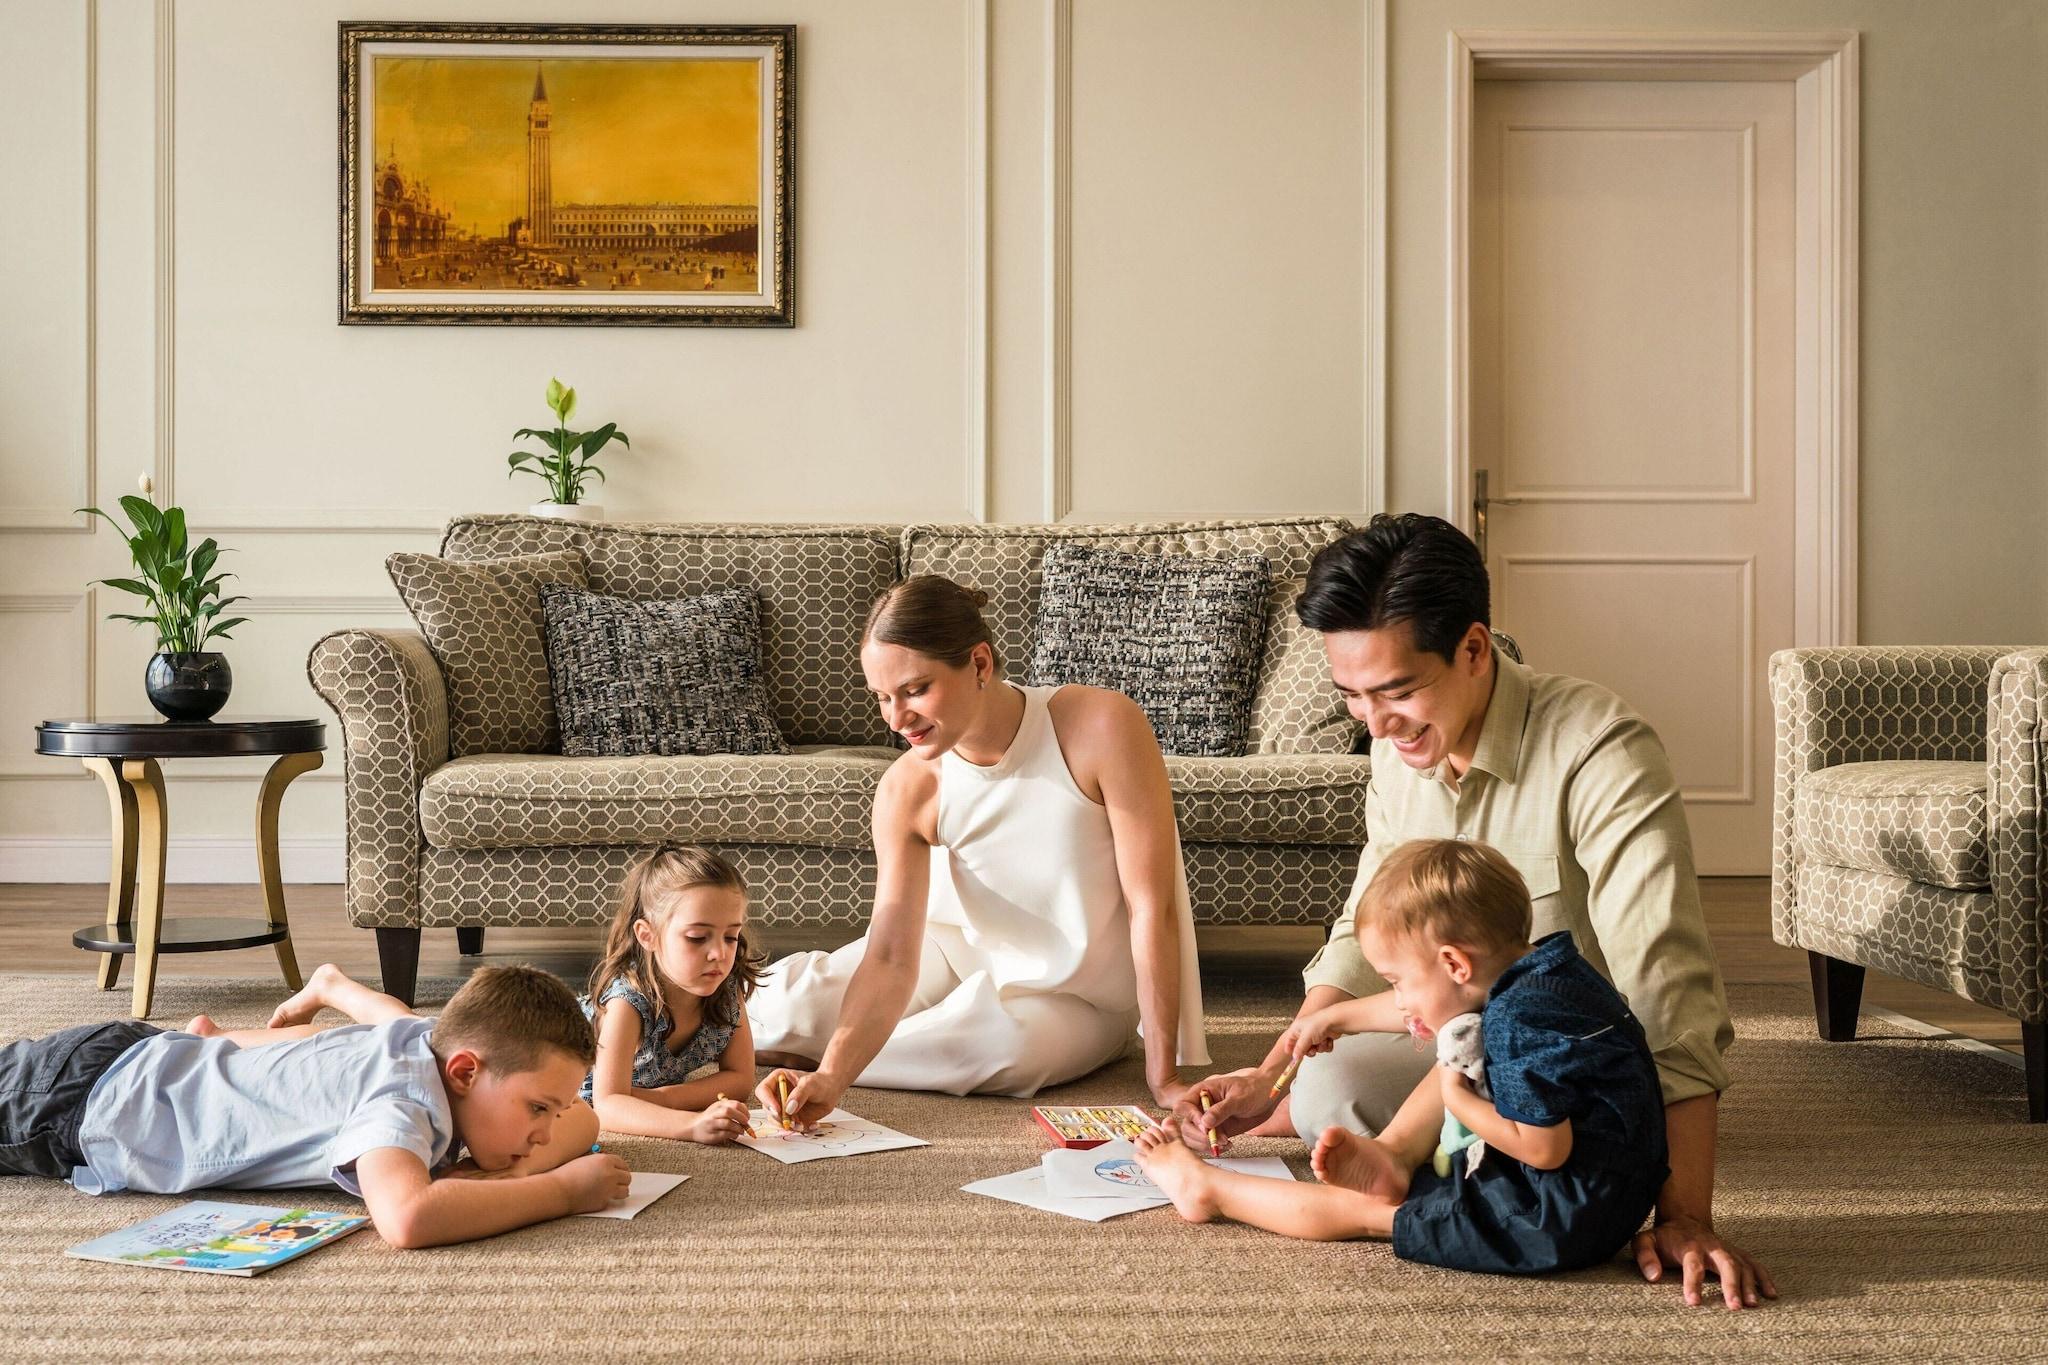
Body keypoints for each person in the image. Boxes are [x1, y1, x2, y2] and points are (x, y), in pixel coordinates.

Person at [1170, 513, 1772, 1309]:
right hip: (1466, 1033)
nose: (1377, 726)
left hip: (1569, 1066)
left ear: (1475, 649)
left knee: (1349, 1104)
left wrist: (1686, 1212)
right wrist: (1275, 1065)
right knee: (1327, 1093)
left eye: (1397, 692)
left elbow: (1668, 992)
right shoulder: (1393, 748)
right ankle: (1334, 1120)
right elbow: (1364, 929)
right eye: (1352, 696)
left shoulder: (1601, 750)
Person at [749, 575, 1208, 1125]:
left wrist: (1165, 1077)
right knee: (783, 1009)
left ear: (981, 664)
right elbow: (893, 954)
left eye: (916, 690)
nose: (897, 719)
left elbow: (1150, 908)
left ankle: (825, 1057)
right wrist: (836, 1065)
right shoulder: (909, 786)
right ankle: (682, 1029)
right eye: (882, 697)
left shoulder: (1102, 726)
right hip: (949, 953)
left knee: (997, 1048)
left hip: (1073, 995)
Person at [1137, 839, 1669, 1277]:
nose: (1400, 999)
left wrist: (1460, 1097)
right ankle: (1393, 1160)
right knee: (1456, 1040)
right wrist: (1333, 1018)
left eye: (1397, 981)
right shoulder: (1550, 973)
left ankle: (1207, 1190)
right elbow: (1445, 1002)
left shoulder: (1514, 1024)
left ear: (1454, 963)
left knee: (1372, 1212)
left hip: (1552, 1220)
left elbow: (1546, 1149)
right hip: (1610, 1193)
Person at [0, 963, 629, 1249]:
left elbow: (590, 1118)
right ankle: (211, 1050)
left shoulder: (439, 1044)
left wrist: (514, 1170)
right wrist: (560, 1193)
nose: (548, 1133)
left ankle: (212, 1047)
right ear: (465, 1072)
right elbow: (408, 1218)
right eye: (538, 1109)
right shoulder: (404, 1100)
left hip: (144, 1057)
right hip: (78, 1105)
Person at [581, 844, 760, 1144]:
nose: (718, 953)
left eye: (731, 936)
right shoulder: (627, 1003)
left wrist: (662, 1099)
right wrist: (691, 1124)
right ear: (647, 935)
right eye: (697, 938)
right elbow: (608, 1104)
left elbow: (740, 1079)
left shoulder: (726, 989)